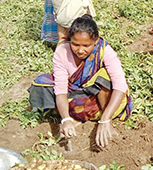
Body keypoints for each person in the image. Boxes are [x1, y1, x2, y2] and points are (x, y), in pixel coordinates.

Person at [28, 15, 133, 148]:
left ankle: (103, 116)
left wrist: (105, 120)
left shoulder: (104, 50)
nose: (80, 50)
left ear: (95, 42)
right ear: (69, 40)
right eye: (75, 44)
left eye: (86, 45)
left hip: (98, 97)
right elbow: (61, 89)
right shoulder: (62, 51)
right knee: (41, 85)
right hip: (76, 94)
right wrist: (65, 119)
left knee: (105, 76)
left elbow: (120, 85)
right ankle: (73, 118)